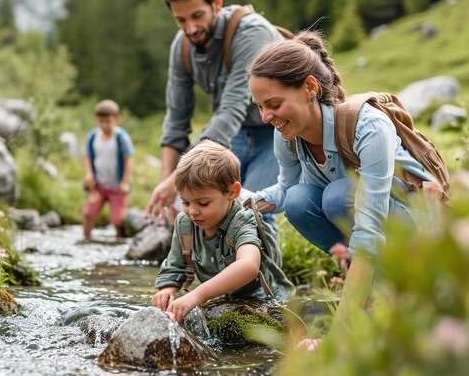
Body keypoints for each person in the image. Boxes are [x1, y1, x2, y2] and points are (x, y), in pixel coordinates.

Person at [247, 30, 439, 350]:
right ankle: (373, 288)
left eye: (275, 104)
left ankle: (387, 292)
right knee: (298, 200)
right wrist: (240, 201)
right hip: (368, 228)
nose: (267, 117)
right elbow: (286, 189)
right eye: (260, 107)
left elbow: (368, 229)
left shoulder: (368, 127)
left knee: (338, 196)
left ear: (310, 87)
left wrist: (338, 336)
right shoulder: (287, 137)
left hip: (417, 231)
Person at [145, 0, 282, 227]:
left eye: (197, 16)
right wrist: (168, 184)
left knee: (251, 210)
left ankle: (262, 269)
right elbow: (175, 123)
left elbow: (229, 112)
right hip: (240, 132)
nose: (191, 28)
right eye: (181, 20)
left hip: (278, 130)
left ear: (216, 2)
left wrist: (176, 180)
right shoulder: (181, 47)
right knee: (201, 205)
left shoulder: (252, 34)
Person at [152, 139, 295, 323]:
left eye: (203, 203)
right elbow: (175, 265)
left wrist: (197, 295)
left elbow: (248, 266)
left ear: (233, 192)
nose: (192, 211)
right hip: (222, 300)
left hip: (263, 301)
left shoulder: (242, 221)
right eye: (185, 202)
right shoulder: (185, 223)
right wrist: (167, 289)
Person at [82, 99, 134, 240]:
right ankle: (86, 238)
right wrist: (89, 174)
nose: (104, 125)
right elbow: (87, 157)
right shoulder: (93, 136)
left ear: (116, 119)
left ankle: (120, 241)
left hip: (117, 186)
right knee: (89, 213)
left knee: (117, 219)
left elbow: (128, 160)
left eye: (108, 121)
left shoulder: (121, 137)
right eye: (101, 121)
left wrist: (125, 182)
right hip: (98, 185)